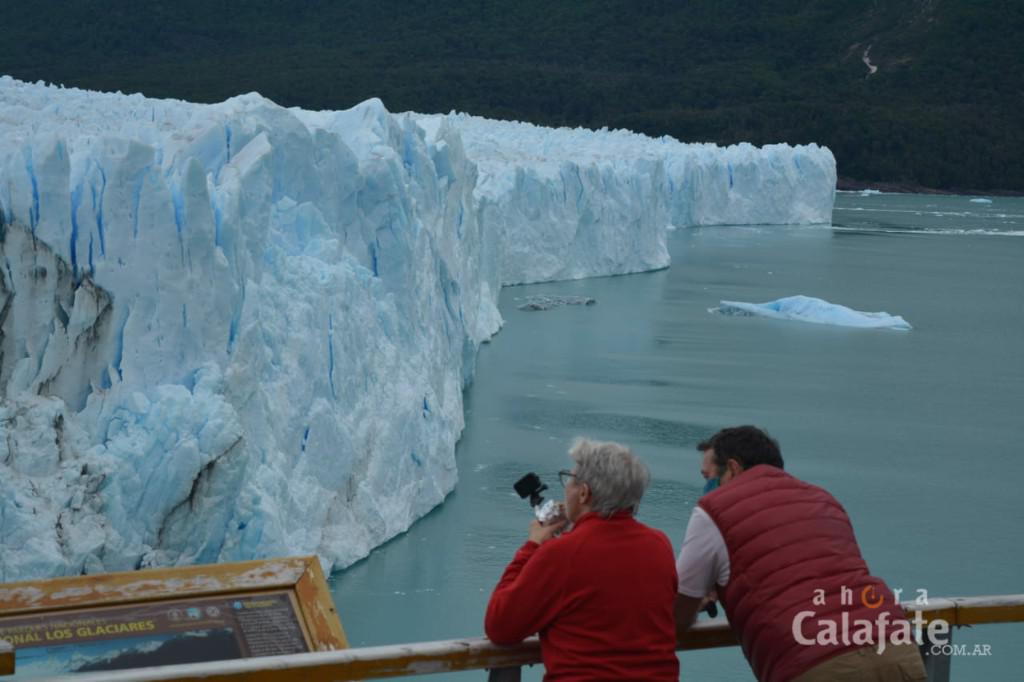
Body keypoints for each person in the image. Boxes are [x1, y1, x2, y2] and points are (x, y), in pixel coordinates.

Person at [675, 426, 927, 682]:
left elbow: (677, 615)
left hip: (817, 663)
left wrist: (696, 599)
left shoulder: (713, 511)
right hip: (896, 649)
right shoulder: (823, 500)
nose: (706, 487)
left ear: (733, 467)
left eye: (708, 477)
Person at [485, 438, 679, 681]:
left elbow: (501, 626)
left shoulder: (562, 554)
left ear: (584, 493)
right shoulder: (659, 545)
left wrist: (532, 545)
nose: (566, 488)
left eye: (570, 479)